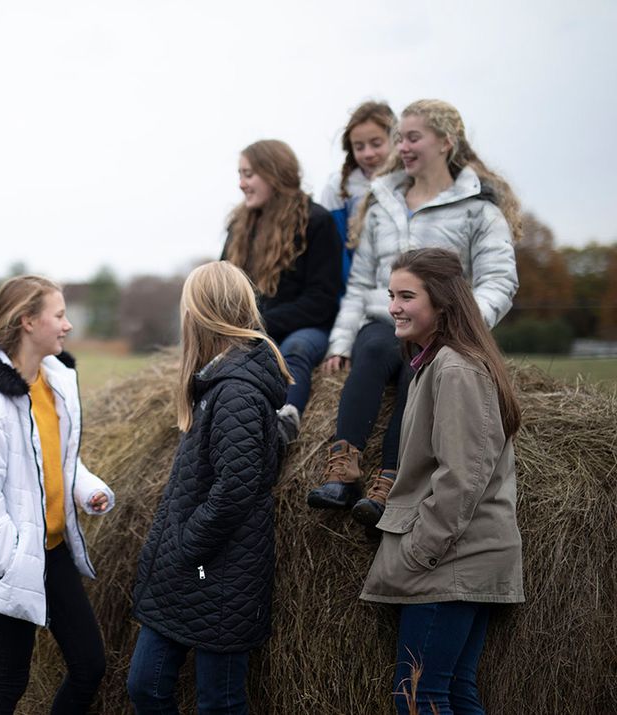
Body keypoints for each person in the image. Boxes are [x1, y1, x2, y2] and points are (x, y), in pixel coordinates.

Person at [307, 99, 521, 524]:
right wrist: (340, 342)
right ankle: (341, 471)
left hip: (446, 330)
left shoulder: (479, 207)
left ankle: (389, 482)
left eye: (412, 137)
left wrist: (461, 323)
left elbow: (500, 279)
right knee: (370, 351)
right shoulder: (381, 201)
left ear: (445, 142)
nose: (400, 147)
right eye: (400, 137)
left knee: (418, 373)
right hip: (385, 319)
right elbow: (360, 283)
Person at [361, 247, 524, 715]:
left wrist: (421, 550)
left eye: (407, 295)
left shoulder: (454, 368)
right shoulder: (438, 364)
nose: (393, 306)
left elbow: (462, 475)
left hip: (451, 561)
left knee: (417, 696)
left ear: (443, 303)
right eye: (392, 294)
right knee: (450, 692)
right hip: (463, 558)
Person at [0, 275, 115, 714]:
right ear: (27, 322)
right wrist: (15, 561)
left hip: (53, 549)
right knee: (10, 680)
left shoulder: (54, 381)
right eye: (59, 315)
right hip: (12, 558)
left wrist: (88, 489)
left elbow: (57, 461)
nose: (68, 325)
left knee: (89, 665)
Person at [128, 261, 291, 714]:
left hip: (217, 573)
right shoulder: (218, 381)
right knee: (147, 687)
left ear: (200, 313)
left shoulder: (235, 389)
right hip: (193, 573)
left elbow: (234, 488)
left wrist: (187, 548)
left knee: (219, 703)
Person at [221, 139, 342, 443]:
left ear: (273, 174)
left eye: (248, 174)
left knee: (294, 350)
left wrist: (258, 326)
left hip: (306, 327)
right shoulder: (240, 225)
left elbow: (322, 299)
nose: (241, 184)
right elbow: (223, 284)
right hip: (250, 328)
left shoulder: (316, 221)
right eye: (240, 174)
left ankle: (283, 426)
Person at [316, 100, 398, 286]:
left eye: (376, 144)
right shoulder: (338, 188)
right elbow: (334, 250)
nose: (368, 153)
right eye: (359, 147)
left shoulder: (413, 181)